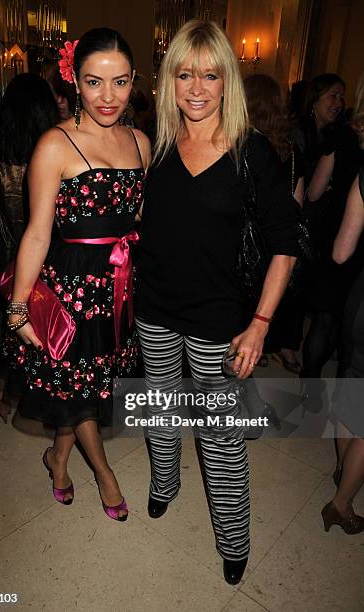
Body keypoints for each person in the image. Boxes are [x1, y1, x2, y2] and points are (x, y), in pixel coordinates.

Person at [135, 20, 298, 584]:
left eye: (210, 74)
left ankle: (234, 538)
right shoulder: (153, 146)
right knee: (158, 406)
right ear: (169, 80)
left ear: (227, 79)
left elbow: (286, 242)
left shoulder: (252, 152)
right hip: (154, 310)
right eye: (185, 74)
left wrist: (259, 324)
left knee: (220, 436)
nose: (197, 88)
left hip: (219, 322)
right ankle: (164, 482)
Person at [5, 28, 150, 519]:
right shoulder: (54, 144)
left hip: (118, 288)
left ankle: (57, 459)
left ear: (134, 82)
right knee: (81, 390)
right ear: (74, 81)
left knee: (86, 389)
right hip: (70, 292)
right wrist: (19, 305)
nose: (108, 97)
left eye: (121, 82)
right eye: (94, 82)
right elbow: (36, 235)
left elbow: (139, 225)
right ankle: (106, 477)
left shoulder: (141, 143)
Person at [0, 73, 59, 421]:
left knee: (12, 327)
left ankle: (6, 392)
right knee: (48, 331)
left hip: (9, 259)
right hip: (55, 260)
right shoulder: (62, 156)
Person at [301, 73, 364, 393]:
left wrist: (332, 188)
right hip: (351, 241)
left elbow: (312, 193)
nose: (339, 103)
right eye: (333, 96)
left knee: (327, 318)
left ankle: (310, 390)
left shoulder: (340, 138)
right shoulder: (338, 136)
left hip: (336, 232)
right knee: (342, 325)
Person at [244, 73, 304, 374]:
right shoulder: (288, 148)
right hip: (273, 246)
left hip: (246, 248)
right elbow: (299, 201)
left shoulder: (243, 147)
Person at [321, 167, 364, 534]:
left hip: (360, 303)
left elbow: (340, 252)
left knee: (352, 387)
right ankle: (341, 504)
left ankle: (341, 468)